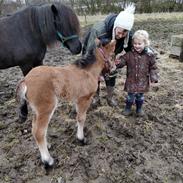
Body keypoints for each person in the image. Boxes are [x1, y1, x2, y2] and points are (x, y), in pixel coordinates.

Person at [82, 4, 135, 107]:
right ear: (115, 26)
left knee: (111, 71)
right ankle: (96, 98)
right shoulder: (99, 30)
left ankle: (109, 97)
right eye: (119, 32)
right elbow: (90, 52)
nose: (120, 36)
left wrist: (121, 61)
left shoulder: (127, 34)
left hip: (110, 55)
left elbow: (131, 50)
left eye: (124, 34)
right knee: (95, 75)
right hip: (94, 53)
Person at [116, 30, 158, 116]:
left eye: (139, 44)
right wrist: (118, 63)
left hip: (142, 81)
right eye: (135, 43)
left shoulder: (149, 56)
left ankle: (139, 109)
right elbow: (123, 61)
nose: (137, 46)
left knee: (140, 96)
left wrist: (153, 78)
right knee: (130, 96)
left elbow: (153, 67)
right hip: (131, 80)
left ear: (145, 43)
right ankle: (127, 108)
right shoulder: (129, 54)